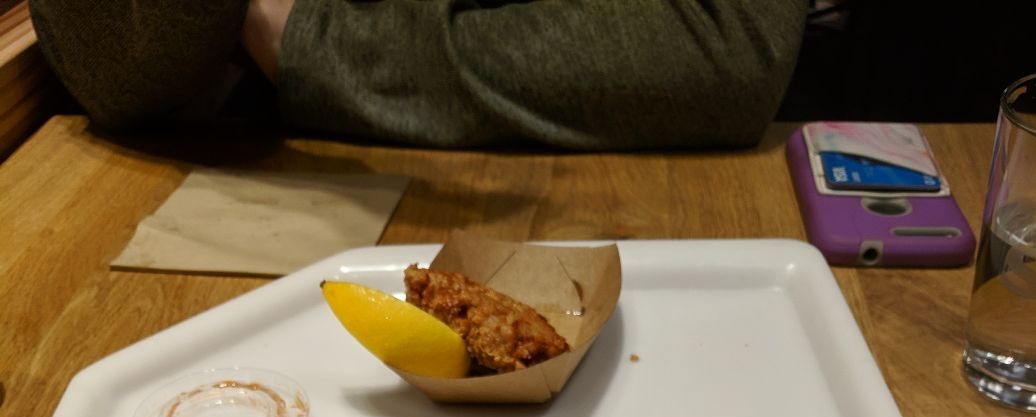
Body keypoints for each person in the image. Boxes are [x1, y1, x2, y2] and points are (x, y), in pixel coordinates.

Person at [30, 0, 807, 151]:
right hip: (251, 181)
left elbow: (724, 47)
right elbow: (117, 70)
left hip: (657, 211)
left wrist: (308, 37)